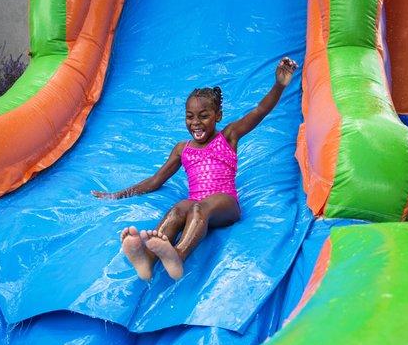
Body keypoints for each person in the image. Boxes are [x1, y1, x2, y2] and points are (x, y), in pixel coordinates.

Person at [92, 57, 298, 281]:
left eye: (204, 116)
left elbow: (260, 110)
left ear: (217, 116)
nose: (196, 123)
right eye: (190, 117)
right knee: (178, 209)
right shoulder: (183, 149)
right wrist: (117, 195)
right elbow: (156, 180)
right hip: (195, 202)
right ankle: (147, 260)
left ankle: (178, 256)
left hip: (224, 202)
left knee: (199, 209)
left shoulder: (228, 136)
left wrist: (279, 85)